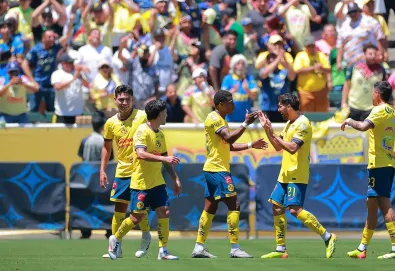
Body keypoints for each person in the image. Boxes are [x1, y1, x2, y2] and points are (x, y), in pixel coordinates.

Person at [340, 81, 395, 259]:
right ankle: (362, 248)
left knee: (384, 203)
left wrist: (349, 120)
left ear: (377, 94)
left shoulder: (379, 111)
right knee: (371, 204)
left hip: (379, 164)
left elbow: (363, 126)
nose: (372, 96)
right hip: (388, 163)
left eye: (373, 93)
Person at [257, 93, 337, 259]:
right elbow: (278, 146)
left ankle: (328, 237)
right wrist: (268, 130)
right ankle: (280, 249)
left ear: (288, 106)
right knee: (277, 207)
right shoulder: (288, 123)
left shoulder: (303, 124)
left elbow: (293, 148)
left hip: (297, 174)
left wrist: (272, 134)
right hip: (285, 173)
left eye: (280, 106)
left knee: (294, 210)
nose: (278, 109)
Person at [191, 90, 268, 259]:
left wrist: (250, 144)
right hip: (217, 169)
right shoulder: (213, 118)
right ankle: (234, 248)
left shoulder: (221, 120)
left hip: (214, 169)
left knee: (210, 207)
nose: (233, 104)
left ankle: (198, 246)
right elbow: (229, 139)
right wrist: (245, 123)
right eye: (230, 101)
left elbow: (228, 145)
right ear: (220, 104)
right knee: (235, 205)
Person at [108, 99, 181, 261]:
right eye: (165, 113)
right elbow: (141, 154)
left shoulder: (160, 134)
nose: (167, 115)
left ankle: (163, 251)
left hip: (157, 182)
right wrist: (165, 159)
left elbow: (165, 158)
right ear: (158, 115)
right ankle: (116, 238)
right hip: (141, 183)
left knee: (165, 211)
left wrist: (175, 178)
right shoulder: (142, 131)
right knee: (136, 218)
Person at [99, 85, 151, 259]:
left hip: (140, 170)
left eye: (127, 99)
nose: (124, 102)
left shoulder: (143, 116)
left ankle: (145, 237)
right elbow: (106, 147)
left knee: (139, 209)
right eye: (121, 99)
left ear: (132, 100)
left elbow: (155, 135)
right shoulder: (111, 123)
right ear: (115, 100)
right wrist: (102, 170)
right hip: (122, 171)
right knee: (119, 208)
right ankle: (116, 248)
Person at [78, 115, 112, 239]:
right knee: (105, 201)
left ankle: (85, 230)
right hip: (102, 175)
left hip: (87, 175)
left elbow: (81, 156)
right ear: (103, 126)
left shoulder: (85, 139)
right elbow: (110, 158)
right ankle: (108, 230)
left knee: (87, 202)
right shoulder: (104, 140)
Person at [342, 44, 386, 121]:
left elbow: (383, 90)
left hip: (372, 109)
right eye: (370, 54)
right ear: (364, 54)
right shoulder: (355, 67)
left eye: (374, 54)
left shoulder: (381, 70)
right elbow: (347, 85)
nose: (372, 56)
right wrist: (344, 103)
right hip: (353, 106)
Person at [294, 35, 330, 112]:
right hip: (305, 92)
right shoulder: (301, 56)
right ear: (305, 47)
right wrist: (313, 68)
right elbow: (297, 70)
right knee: (306, 116)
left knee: (322, 116)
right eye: (309, 46)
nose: (311, 48)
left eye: (312, 46)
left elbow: (329, 70)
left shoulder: (321, 55)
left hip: (321, 91)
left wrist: (322, 68)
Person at [51, 53, 88, 124]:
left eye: (72, 63)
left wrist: (80, 76)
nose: (71, 64)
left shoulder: (77, 74)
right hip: (63, 113)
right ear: (63, 63)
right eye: (69, 63)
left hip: (78, 113)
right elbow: (58, 87)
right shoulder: (57, 74)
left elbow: (87, 85)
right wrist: (73, 78)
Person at [259, 51, 296, 122]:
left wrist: (284, 62)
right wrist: (278, 58)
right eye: (269, 58)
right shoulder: (263, 70)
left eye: (273, 58)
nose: (271, 60)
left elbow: (292, 77)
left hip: (284, 108)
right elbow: (263, 74)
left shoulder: (284, 71)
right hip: (268, 108)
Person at [220, 54, 258, 122]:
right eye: (238, 63)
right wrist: (232, 91)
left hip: (245, 121)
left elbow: (254, 97)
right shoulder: (227, 79)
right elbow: (221, 98)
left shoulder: (249, 78)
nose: (241, 66)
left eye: (243, 64)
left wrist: (247, 89)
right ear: (233, 66)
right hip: (229, 120)